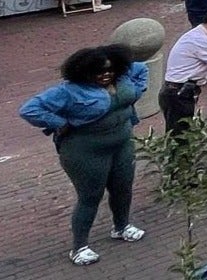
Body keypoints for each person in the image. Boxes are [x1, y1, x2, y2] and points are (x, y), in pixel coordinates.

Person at [19, 45, 149, 267]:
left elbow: (141, 69)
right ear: (84, 72)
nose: (106, 75)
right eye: (99, 72)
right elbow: (29, 109)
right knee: (90, 197)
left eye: (110, 70)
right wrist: (58, 123)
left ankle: (122, 226)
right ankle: (79, 247)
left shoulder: (124, 76)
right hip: (85, 151)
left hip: (122, 144)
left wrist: (137, 89)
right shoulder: (68, 91)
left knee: (123, 187)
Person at [158, 9, 207, 133]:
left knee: (179, 131)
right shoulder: (201, 39)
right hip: (179, 94)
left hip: (177, 91)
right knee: (180, 135)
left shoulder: (196, 35)